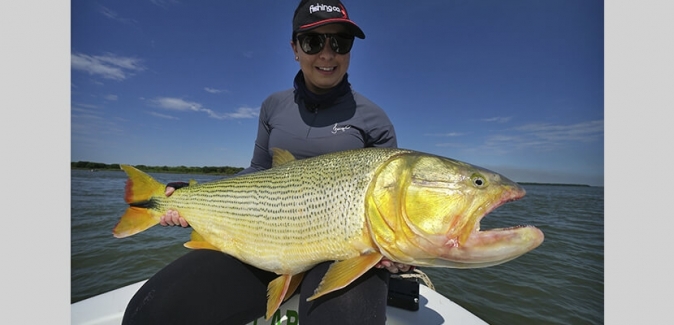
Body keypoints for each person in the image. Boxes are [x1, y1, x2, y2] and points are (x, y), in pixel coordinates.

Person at [122, 1, 411, 324]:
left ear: (350, 51)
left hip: (346, 251)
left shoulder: (375, 119)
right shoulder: (273, 106)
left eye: (340, 42)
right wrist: (193, 198)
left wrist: (403, 252)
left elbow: (391, 205)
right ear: (295, 48)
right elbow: (258, 171)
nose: (327, 54)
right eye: (314, 42)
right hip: (265, 238)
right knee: (149, 312)